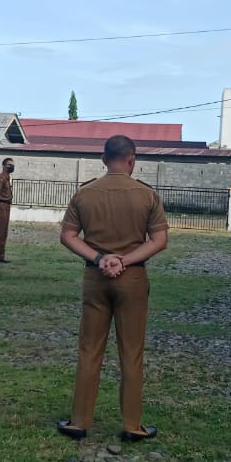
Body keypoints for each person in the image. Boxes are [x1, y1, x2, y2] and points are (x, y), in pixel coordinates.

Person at [56, 135, 169, 442]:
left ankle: (79, 421)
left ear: (103, 159)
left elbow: (68, 235)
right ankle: (132, 425)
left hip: (95, 276)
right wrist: (125, 261)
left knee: (89, 349)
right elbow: (159, 240)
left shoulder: (86, 192)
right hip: (132, 279)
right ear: (132, 160)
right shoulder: (146, 195)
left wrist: (100, 258)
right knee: (131, 352)